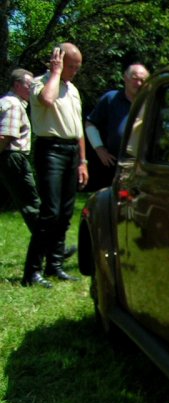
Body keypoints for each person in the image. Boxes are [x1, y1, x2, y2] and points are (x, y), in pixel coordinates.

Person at [30, 42, 88, 282]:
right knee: (50, 212)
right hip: (50, 150)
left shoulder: (73, 90)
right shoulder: (40, 83)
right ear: (59, 61)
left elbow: (78, 128)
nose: (75, 71)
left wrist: (83, 161)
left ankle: (54, 266)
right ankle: (32, 270)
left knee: (65, 212)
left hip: (71, 151)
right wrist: (55, 73)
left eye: (78, 67)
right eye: (71, 66)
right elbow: (47, 100)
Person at [0, 68, 51, 287]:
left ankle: (50, 248)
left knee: (30, 205)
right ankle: (50, 250)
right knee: (33, 206)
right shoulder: (13, 104)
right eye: (29, 85)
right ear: (17, 85)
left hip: (9, 157)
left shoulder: (7, 102)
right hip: (13, 157)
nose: (32, 89)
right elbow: (5, 135)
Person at [85, 63, 149, 190]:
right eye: (135, 79)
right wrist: (99, 149)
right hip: (113, 165)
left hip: (142, 165)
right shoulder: (111, 99)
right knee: (113, 199)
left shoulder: (150, 102)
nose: (139, 83)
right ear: (125, 78)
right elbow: (90, 123)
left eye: (142, 80)